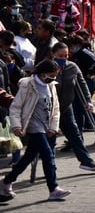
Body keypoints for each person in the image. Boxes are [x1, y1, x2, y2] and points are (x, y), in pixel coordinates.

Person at [0, 60, 70, 202]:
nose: (53, 78)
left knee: (28, 157)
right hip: (33, 125)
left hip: (46, 125)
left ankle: (6, 181)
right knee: (48, 154)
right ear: (43, 74)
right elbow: (16, 107)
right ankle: (53, 188)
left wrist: (53, 127)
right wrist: (17, 125)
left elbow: (55, 108)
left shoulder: (51, 85)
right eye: (51, 75)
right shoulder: (27, 84)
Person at [52, 43, 95, 171]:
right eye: (60, 56)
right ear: (53, 54)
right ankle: (50, 166)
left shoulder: (72, 67)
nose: (63, 58)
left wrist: (88, 101)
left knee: (75, 136)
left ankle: (86, 161)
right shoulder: (46, 66)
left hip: (66, 107)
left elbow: (82, 84)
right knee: (50, 139)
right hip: (50, 109)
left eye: (66, 55)